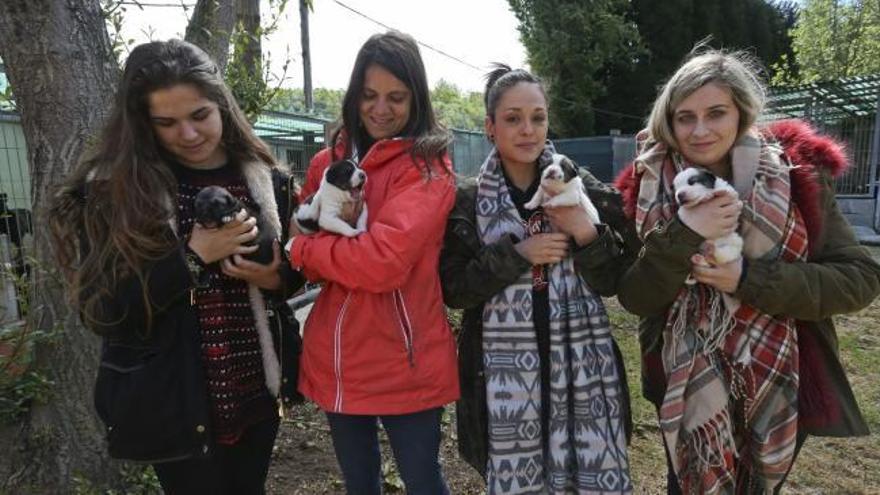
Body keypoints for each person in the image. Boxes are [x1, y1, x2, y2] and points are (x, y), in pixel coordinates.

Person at [614, 48, 880, 494]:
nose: (700, 131)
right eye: (685, 117)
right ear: (669, 121)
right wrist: (684, 231)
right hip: (683, 382)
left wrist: (746, 280)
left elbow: (860, 279)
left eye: (716, 113)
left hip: (778, 379)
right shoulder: (646, 186)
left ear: (741, 112)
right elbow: (636, 297)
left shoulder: (798, 177)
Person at [49, 39, 303, 494]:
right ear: (141, 124)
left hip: (257, 391)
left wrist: (275, 278)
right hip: (173, 402)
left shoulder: (268, 180)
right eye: (166, 122)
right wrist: (191, 256)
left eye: (200, 115)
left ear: (222, 105)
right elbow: (103, 311)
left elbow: (292, 277)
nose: (188, 134)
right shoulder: (115, 192)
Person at [440, 65, 634, 494]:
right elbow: (453, 289)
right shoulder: (468, 200)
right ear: (490, 127)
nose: (527, 130)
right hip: (500, 375)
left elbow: (614, 279)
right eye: (512, 119)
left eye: (538, 117)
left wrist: (585, 232)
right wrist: (516, 255)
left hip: (578, 358)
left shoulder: (579, 186)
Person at [287, 31, 458, 494]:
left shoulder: (426, 168)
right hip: (336, 356)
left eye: (396, 97)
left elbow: (382, 264)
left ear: (416, 98)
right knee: (359, 484)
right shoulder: (328, 161)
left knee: (422, 479)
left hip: (405, 358)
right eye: (369, 95)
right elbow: (302, 230)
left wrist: (306, 250)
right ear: (353, 96)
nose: (380, 109)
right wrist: (310, 250)